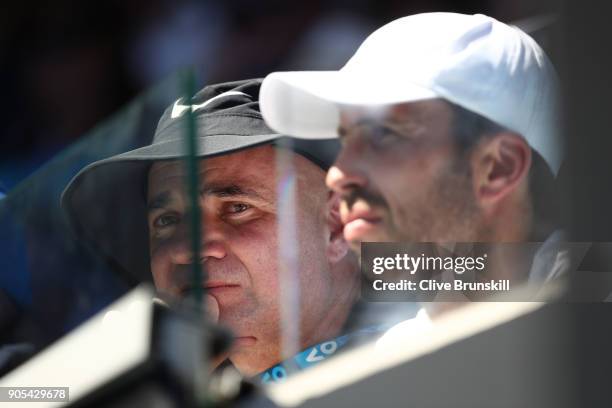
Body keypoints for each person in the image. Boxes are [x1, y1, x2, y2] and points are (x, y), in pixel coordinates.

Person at [61, 79, 370, 380]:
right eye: (167, 220)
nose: (185, 249)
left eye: (237, 208)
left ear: (336, 224)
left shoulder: (413, 343)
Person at [259, 12, 567, 315]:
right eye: (345, 139)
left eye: (384, 134)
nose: (337, 175)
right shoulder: (388, 353)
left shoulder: (591, 338)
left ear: (499, 167)